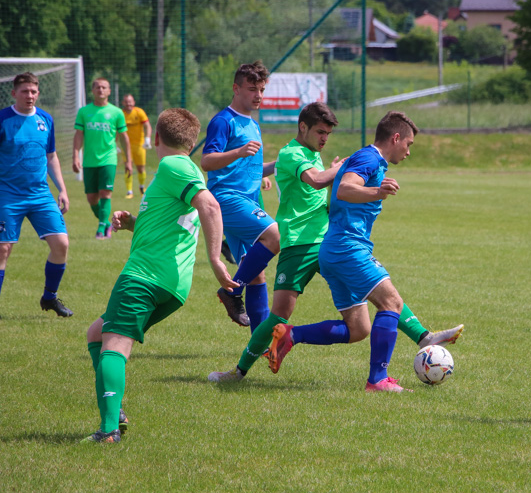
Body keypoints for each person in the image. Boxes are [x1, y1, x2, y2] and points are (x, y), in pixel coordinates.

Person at [208, 103, 463, 383]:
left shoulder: (313, 155)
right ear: (302, 127)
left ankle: (422, 336)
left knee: (361, 324)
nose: (324, 138)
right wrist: (342, 170)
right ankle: (239, 371)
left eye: (328, 134)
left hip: (326, 240)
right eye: (320, 132)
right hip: (299, 243)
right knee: (279, 315)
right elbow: (317, 182)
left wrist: (339, 171)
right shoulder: (291, 152)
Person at [81, 108, 236, 443]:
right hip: (171, 285)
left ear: (156, 138)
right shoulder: (185, 170)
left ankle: (108, 431)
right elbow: (176, 220)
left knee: (114, 345)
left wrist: (215, 259)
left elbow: (209, 207)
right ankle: (115, 411)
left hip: (144, 276)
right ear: (192, 144)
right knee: (97, 334)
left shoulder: (172, 165)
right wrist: (135, 223)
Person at [201, 61, 279, 330]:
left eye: (261, 89)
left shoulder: (253, 124)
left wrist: (274, 169)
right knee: (275, 235)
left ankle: (260, 343)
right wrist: (238, 152)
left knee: (256, 271)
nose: (258, 95)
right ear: (236, 88)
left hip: (248, 200)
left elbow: (251, 166)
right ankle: (231, 292)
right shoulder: (223, 121)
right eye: (251, 89)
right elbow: (207, 161)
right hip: (227, 198)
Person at [0, 72, 73, 318]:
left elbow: (51, 157)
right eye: (24, 91)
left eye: (33, 91)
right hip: (7, 195)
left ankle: (49, 298)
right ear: (13, 93)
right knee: (3, 249)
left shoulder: (46, 119)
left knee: (61, 244)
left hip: (40, 194)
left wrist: (62, 189)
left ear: (38, 93)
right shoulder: (3, 119)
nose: (30, 96)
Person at [72, 78, 133, 239]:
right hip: (89, 160)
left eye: (104, 87)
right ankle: (106, 222)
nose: (101, 90)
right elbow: (78, 135)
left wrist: (128, 160)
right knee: (92, 198)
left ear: (109, 91)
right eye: (97, 87)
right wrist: (75, 156)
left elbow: (124, 137)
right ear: (92, 90)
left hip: (108, 159)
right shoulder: (84, 112)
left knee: (105, 193)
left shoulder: (116, 112)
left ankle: (101, 229)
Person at [121, 94, 152, 199]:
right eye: (126, 101)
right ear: (123, 103)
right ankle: (129, 191)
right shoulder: (121, 114)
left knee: (140, 168)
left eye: (130, 101)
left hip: (139, 145)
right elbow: (117, 130)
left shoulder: (139, 112)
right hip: (126, 146)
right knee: (127, 167)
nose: (128, 104)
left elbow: (147, 125)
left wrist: (147, 138)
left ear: (133, 102)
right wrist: (116, 142)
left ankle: (142, 188)